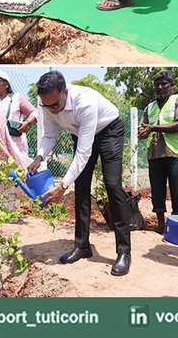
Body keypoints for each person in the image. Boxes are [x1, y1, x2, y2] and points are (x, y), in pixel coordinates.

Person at [30, 70, 131, 276]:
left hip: (108, 131)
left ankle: (124, 252)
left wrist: (62, 186)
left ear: (65, 93)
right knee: (81, 186)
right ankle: (82, 245)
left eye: (55, 105)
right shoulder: (47, 104)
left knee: (112, 184)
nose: (52, 110)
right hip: (81, 132)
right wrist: (39, 157)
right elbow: (50, 134)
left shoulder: (85, 102)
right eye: (45, 105)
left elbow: (84, 153)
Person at [138, 70, 178, 236]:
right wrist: (142, 132)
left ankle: (177, 228)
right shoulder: (150, 107)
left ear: (172, 85)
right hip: (155, 154)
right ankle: (161, 225)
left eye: (164, 84)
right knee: (157, 190)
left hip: (176, 153)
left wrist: (153, 128)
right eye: (157, 84)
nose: (160, 87)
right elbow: (143, 128)